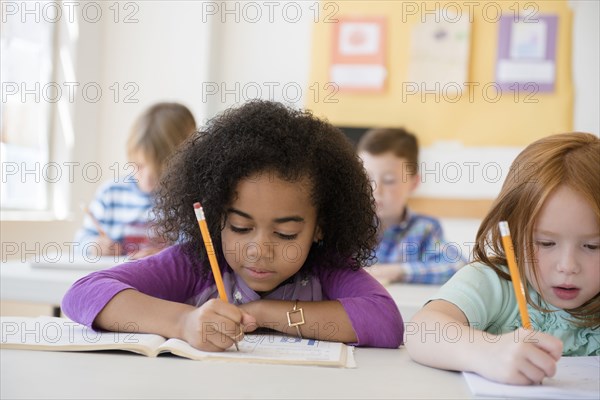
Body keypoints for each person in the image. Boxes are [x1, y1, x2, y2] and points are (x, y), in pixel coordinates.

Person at [62, 100, 404, 352]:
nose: (258, 250)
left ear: (320, 226)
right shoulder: (194, 265)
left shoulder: (325, 270)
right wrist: (184, 322)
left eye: (285, 233)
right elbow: (82, 295)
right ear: (215, 215)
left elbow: (386, 322)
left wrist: (262, 312)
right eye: (240, 227)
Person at [406, 132, 599, 385]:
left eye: (592, 245)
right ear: (514, 232)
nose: (568, 266)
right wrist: (487, 352)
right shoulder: (494, 282)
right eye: (545, 243)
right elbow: (422, 330)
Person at [75, 102, 197, 259]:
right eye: (139, 166)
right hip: (117, 281)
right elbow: (79, 241)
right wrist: (94, 246)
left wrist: (165, 257)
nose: (146, 180)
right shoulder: (111, 194)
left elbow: (196, 252)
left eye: (160, 173)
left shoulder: (188, 200)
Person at [357, 128, 465, 284]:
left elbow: (458, 266)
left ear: (414, 183)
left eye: (388, 180)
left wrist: (396, 271)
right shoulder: (347, 226)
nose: (375, 190)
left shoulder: (424, 229)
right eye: (366, 178)